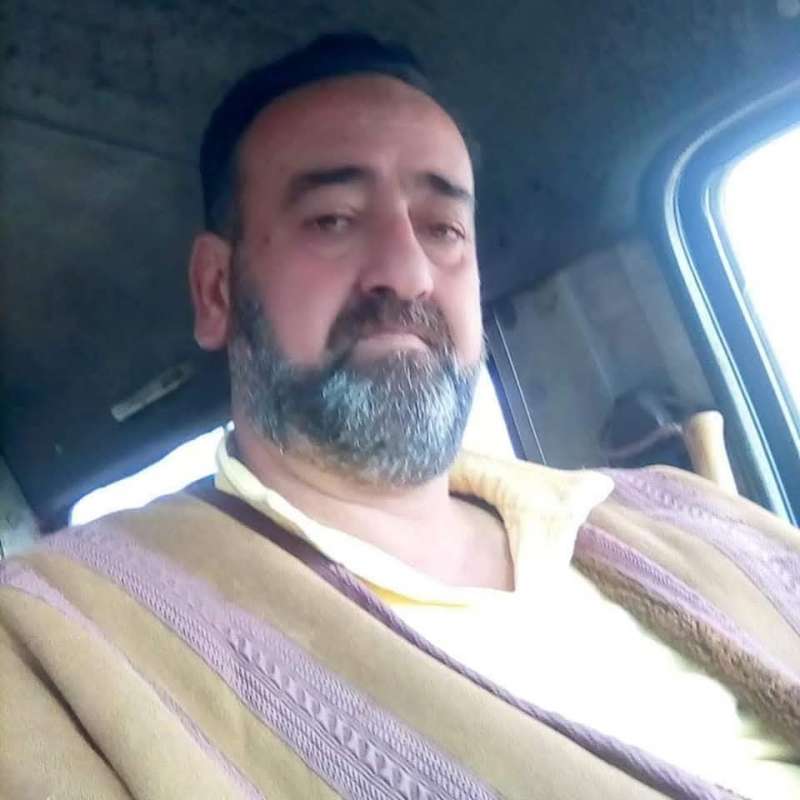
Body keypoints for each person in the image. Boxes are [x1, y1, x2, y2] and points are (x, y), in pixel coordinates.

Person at [1, 33, 799, 800]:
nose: (408, 271)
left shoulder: (684, 512)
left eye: (444, 228)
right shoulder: (55, 639)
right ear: (217, 291)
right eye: (333, 219)